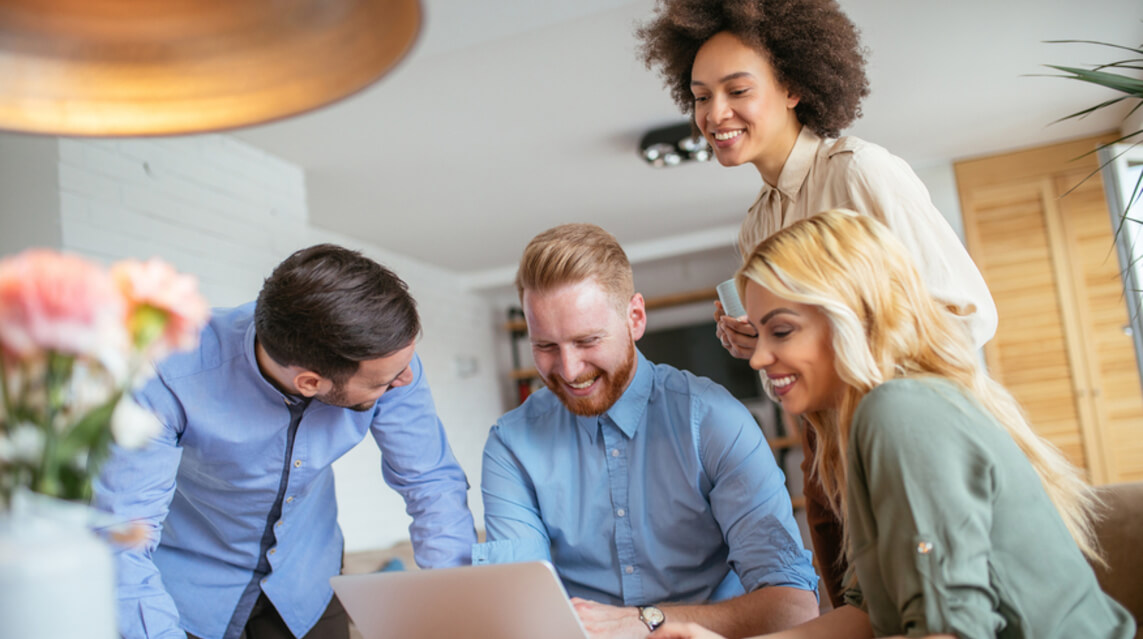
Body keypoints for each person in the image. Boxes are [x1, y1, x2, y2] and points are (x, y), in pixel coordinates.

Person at [636, 0, 998, 606]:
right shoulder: (756, 225)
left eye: (737, 90)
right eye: (700, 96)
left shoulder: (862, 173)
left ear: (795, 86)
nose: (713, 114)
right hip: (826, 448)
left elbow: (964, 315)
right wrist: (761, 340)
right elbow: (799, 344)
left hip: (908, 438)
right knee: (862, 610)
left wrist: (860, 376)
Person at [650, 209, 1136, 639]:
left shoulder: (900, 412)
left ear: (854, 319)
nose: (758, 358)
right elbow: (870, 616)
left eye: (781, 331)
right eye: (757, 335)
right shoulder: (871, 420)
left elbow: (948, 631)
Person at [93, 244, 477, 639]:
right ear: (310, 382)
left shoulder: (390, 362)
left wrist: (455, 608)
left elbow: (430, 482)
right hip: (190, 591)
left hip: (306, 582)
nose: (405, 381)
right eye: (383, 382)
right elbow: (120, 535)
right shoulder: (165, 373)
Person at [475, 223, 819, 639]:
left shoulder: (713, 420)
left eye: (587, 341)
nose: (567, 370)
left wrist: (644, 620)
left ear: (635, 318)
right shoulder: (511, 445)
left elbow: (792, 609)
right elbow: (520, 614)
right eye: (545, 346)